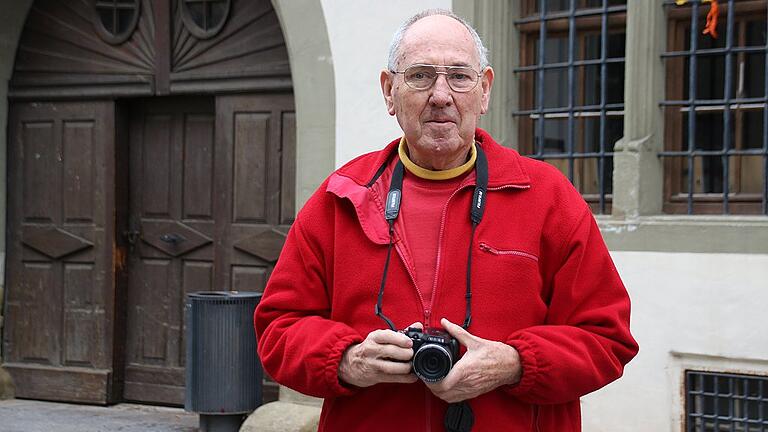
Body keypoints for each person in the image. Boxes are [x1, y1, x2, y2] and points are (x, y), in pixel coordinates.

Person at [255, 9, 638, 432]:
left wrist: (514, 363)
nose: (441, 95)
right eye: (420, 76)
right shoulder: (341, 197)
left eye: (459, 76)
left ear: (485, 90)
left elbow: (607, 338)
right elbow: (277, 330)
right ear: (389, 91)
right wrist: (346, 359)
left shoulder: (547, 197)